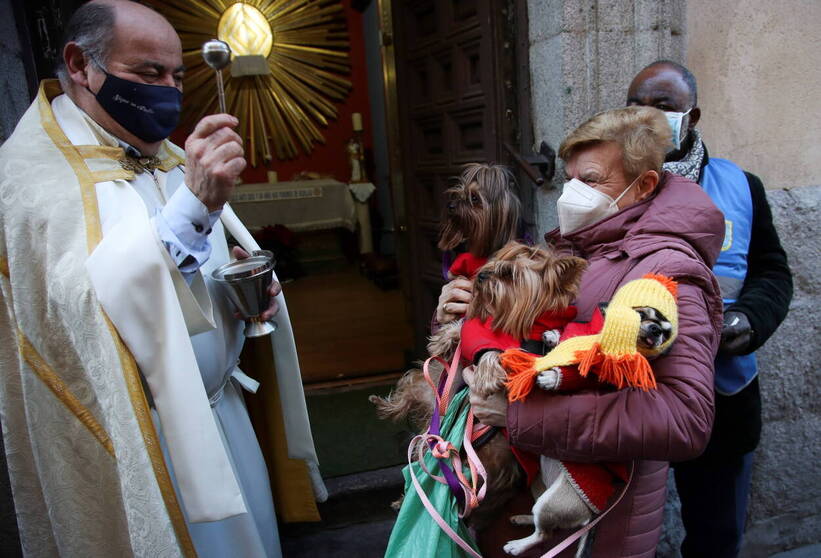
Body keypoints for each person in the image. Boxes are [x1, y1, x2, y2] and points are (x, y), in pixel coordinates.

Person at [0, 1, 323, 556]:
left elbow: (200, 270)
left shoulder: (169, 157)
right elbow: (84, 306)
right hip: (148, 440)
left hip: (222, 410)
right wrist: (194, 203)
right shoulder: (34, 177)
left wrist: (246, 301)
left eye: (176, 75)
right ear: (80, 64)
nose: (168, 91)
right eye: (148, 74)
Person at [437, 106, 725, 557]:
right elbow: (530, 332)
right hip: (526, 503)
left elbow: (683, 420)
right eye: (569, 179)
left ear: (644, 185)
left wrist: (518, 417)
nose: (572, 192)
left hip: (597, 525)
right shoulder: (582, 245)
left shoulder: (668, 271)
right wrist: (467, 312)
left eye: (590, 181)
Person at [626, 60, 793, 558]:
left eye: (663, 106)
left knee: (716, 535)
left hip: (724, 392)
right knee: (624, 534)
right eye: (636, 105)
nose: (647, 116)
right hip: (628, 391)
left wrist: (750, 320)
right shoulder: (607, 187)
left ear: (691, 116)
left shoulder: (742, 186)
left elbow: (772, 272)